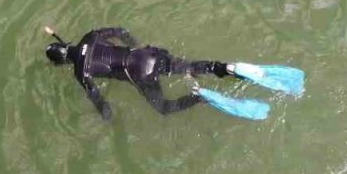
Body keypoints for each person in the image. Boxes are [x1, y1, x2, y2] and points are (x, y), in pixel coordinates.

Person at [44, 26, 237, 120]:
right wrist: (136, 47)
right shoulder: (90, 36)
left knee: (163, 108)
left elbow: (98, 99)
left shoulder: (80, 72)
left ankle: (200, 98)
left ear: (62, 63)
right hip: (146, 54)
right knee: (190, 67)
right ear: (65, 44)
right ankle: (223, 68)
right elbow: (120, 31)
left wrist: (107, 116)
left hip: (140, 74)